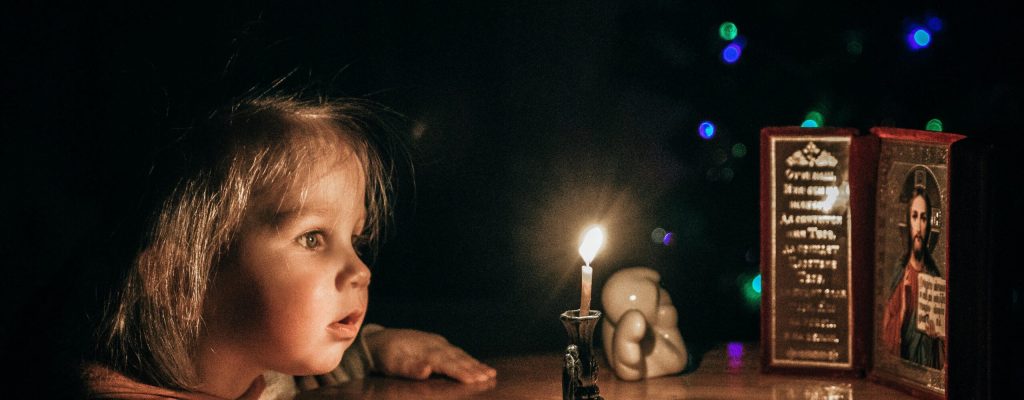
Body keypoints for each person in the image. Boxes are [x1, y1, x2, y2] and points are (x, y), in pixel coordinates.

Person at [83, 96, 496, 399]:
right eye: (312, 237)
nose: (361, 271)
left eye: (355, 240)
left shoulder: (262, 375)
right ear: (177, 281)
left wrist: (372, 349)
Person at [881, 169, 944, 369]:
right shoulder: (899, 274)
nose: (918, 225)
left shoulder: (934, 277)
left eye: (924, 218)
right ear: (908, 222)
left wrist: (938, 336)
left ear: (929, 224)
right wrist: (903, 312)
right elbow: (885, 336)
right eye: (914, 216)